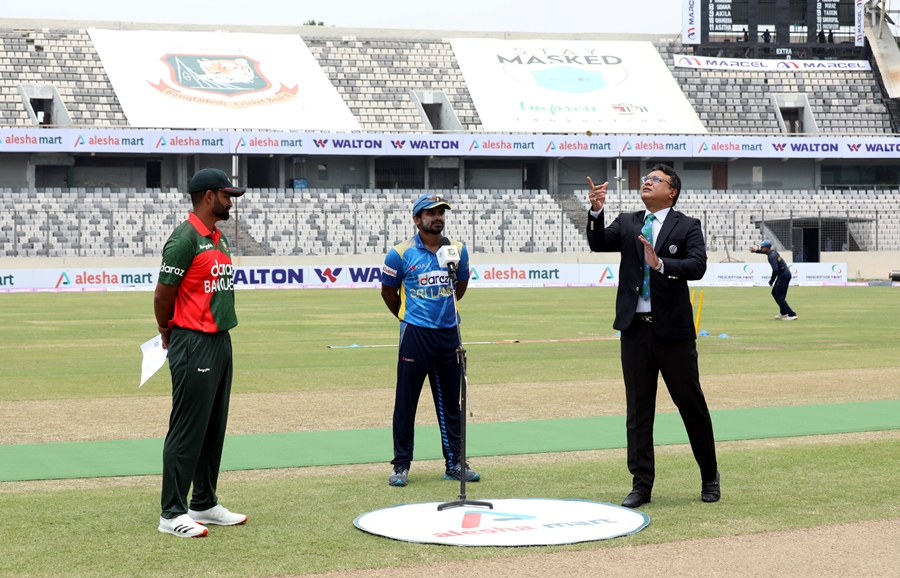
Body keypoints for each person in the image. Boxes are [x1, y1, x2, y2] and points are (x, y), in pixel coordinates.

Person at [585, 165, 720, 508]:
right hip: (634, 330)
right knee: (638, 412)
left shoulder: (687, 225)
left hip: (673, 332)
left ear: (672, 192)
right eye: (646, 178)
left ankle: (709, 476)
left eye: (655, 179)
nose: (647, 181)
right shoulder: (629, 222)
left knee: (691, 406)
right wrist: (597, 211)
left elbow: (697, 266)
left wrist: (660, 264)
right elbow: (598, 243)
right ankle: (641, 485)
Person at [154, 168, 248, 538]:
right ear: (208, 196)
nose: (231, 202)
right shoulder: (185, 239)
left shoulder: (218, 238)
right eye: (227, 196)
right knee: (187, 428)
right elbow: (163, 295)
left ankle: (204, 503)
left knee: (212, 427)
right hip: (193, 341)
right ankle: (171, 513)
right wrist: (167, 331)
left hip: (220, 340)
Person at [380, 193, 479, 487]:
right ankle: (401, 465)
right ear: (416, 219)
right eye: (431, 212)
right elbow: (388, 293)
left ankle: (455, 462)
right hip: (415, 334)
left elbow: (460, 286)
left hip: (449, 334)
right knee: (406, 402)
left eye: (441, 212)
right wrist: (408, 317)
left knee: (451, 404)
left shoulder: (457, 250)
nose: (437, 217)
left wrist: (444, 311)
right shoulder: (399, 253)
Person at [750, 240, 797, 321]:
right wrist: (756, 251)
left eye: (762, 247)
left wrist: (771, 281)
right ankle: (783, 312)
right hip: (784, 275)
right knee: (774, 293)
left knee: (780, 298)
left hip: (783, 276)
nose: (761, 248)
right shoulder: (772, 252)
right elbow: (763, 252)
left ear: (767, 248)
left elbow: (775, 269)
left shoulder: (771, 256)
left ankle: (792, 314)